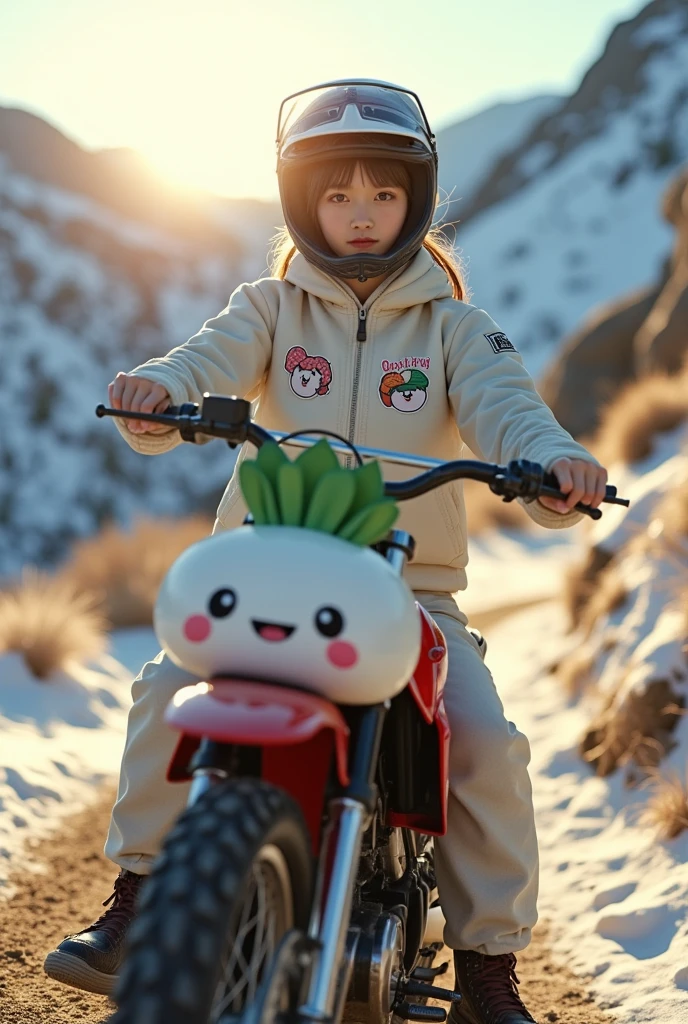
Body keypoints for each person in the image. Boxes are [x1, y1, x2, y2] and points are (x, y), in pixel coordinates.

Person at [44, 80, 608, 1023]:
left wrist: (554, 462)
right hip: (270, 568)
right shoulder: (266, 307)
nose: (359, 214)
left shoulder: (455, 329)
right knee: (164, 687)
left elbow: (510, 406)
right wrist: (157, 389)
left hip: (408, 592)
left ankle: (486, 969)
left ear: (415, 200)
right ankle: (140, 902)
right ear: (303, 201)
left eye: (381, 194)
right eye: (338, 194)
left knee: (481, 744)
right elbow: (204, 362)